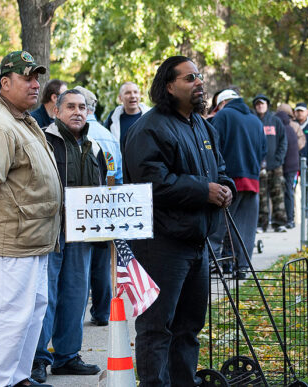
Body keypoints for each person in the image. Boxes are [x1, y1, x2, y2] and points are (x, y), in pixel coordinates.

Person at [123, 55, 236, 386]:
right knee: (157, 327)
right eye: (190, 78)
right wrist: (204, 191)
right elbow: (150, 183)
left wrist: (226, 189)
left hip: (198, 244)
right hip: (162, 245)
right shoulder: (149, 128)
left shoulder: (203, 125)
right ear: (169, 87)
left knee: (189, 328)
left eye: (199, 76)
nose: (199, 82)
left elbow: (221, 171)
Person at [0, 50, 60, 387]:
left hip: (33, 238)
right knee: (6, 317)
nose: (36, 84)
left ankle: (17, 378)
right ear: (5, 84)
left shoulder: (22, 119)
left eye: (37, 77)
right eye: (27, 78)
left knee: (30, 313)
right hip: (12, 239)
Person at [31, 89, 107, 384]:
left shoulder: (94, 146)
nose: (77, 111)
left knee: (75, 296)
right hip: (49, 233)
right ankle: (38, 358)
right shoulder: (42, 141)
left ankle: (67, 357)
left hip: (82, 236)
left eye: (82, 107)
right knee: (45, 298)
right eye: (71, 107)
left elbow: (103, 190)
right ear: (56, 111)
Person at [74, 86, 122, 326]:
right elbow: (117, 173)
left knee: (81, 265)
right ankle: (102, 312)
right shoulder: (107, 134)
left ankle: (78, 311)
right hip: (106, 204)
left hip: (81, 207)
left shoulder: (76, 134)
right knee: (103, 264)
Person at [208, 89, 266, 277]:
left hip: (229, 180)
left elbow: (213, 146)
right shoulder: (256, 121)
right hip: (252, 180)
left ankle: (216, 263)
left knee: (220, 225)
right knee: (245, 227)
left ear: (224, 103)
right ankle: (242, 267)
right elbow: (263, 150)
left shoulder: (223, 116)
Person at [252, 94, 288, 232]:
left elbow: (283, 141)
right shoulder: (253, 121)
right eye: (258, 104)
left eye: (263, 103)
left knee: (278, 194)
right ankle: (261, 224)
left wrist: (279, 159)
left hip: (276, 165)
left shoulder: (275, 121)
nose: (260, 106)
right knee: (261, 196)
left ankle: (279, 223)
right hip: (259, 166)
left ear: (267, 105)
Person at [274, 108, 302, 229]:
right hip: (293, 166)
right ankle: (290, 219)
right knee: (289, 192)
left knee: (286, 193)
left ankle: (288, 219)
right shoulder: (291, 129)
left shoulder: (281, 130)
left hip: (286, 167)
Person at [103, 81, 151, 149]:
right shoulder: (112, 118)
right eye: (127, 93)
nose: (132, 96)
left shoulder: (151, 116)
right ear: (120, 98)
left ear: (140, 95)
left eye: (135, 92)